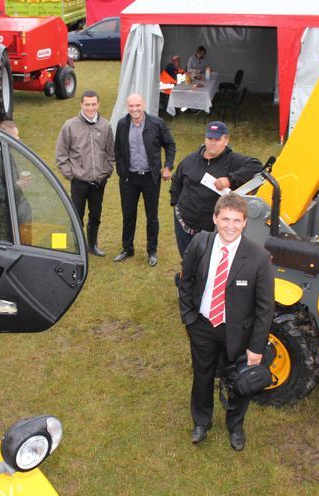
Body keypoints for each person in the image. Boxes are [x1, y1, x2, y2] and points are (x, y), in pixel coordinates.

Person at [178, 193, 274, 452]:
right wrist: (189, 317)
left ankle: (235, 425)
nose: (230, 225)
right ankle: (201, 421)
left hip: (238, 333)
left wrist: (256, 347)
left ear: (245, 223)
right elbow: (185, 282)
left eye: (236, 220)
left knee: (238, 381)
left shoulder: (259, 258)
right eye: (225, 219)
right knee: (202, 376)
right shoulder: (200, 243)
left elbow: (265, 309)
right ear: (214, 218)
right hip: (203, 326)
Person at [170, 121, 262, 258]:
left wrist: (230, 179)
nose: (212, 143)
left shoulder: (233, 160)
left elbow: (256, 166)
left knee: (208, 262)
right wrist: (175, 202)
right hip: (184, 224)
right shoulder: (190, 160)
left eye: (217, 139)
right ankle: (187, 277)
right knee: (187, 259)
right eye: (209, 139)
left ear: (226, 140)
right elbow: (176, 181)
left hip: (212, 229)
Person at [113, 93, 177, 267]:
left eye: (137, 105)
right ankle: (127, 249)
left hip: (150, 178)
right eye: (131, 106)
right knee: (128, 215)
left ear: (144, 105)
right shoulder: (122, 124)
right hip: (129, 179)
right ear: (127, 107)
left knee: (152, 216)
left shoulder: (156, 124)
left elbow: (170, 145)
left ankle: (152, 251)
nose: (134, 109)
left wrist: (167, 167)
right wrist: (121, 171)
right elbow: (117, 149)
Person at [56, 90, 115, 256]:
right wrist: (71, 175)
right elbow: (61, 155)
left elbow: (111, 153)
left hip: (98, 182)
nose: (90, 108)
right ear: (81, 104)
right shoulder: (69, 126)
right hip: (79, 182)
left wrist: (107, 171)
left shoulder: (106, 126)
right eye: (87, 104)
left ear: (98, 104)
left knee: (95, 214)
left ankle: (92, 245)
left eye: (93, 104)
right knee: (76, 215)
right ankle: (77, 247)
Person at [0, 120, 33, 243]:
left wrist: (18, 182)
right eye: (15, 137)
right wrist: (17, 185)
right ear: (3, 137)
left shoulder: (6, 152)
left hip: (18, 210)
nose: (19, 139)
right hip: (4, 216)